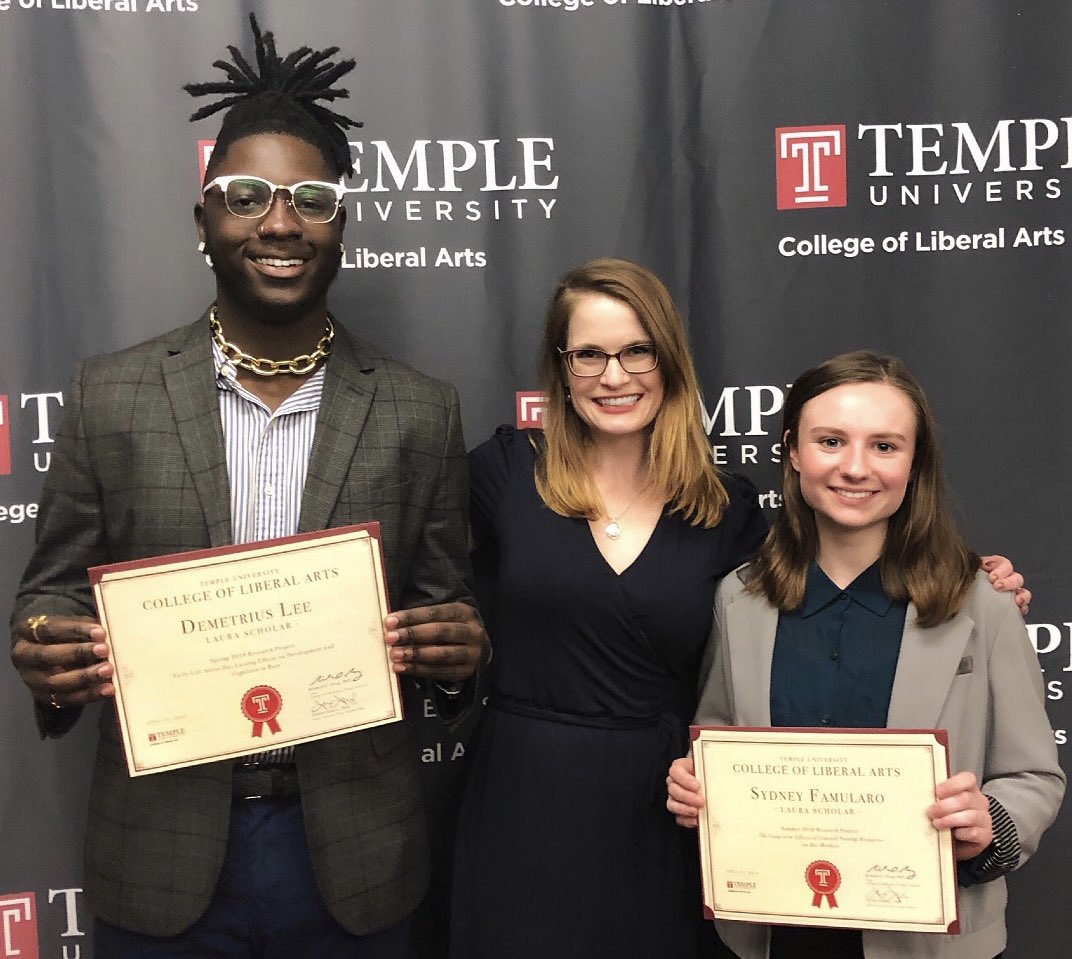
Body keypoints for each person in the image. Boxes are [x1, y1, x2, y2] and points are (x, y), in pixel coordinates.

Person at [9, 16, 482, 959]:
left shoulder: (420, 412)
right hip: (162, 853)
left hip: (354, 854)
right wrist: (44, 646)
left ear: (340, 223)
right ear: (205, 221)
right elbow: (51, 589)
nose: (279, 221)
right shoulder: (113, 393)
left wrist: (455, 650)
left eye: (310, 198)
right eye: (247, 196)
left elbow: (443, 609)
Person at [447, 262, 1029, 959]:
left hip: (669, 812)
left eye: (638, 350)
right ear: (561, 367)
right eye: (589, 354)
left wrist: (984, 582)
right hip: (525, 792)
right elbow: (418, 569)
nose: (614, 375)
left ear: (668, 359)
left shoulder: (724, 510)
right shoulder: (505, 471)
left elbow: (827, 574)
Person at [667, 351, 1065, 959]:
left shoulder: (981, 602)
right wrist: (700, 788)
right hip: (775, 934)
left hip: (927, 940)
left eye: (884, 446)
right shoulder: (739, 599)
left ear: (914, 463)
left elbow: (1034, 775)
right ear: (793, 452)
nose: (855, 468)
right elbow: (720, 738)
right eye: (830, 441)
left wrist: (989, 823)